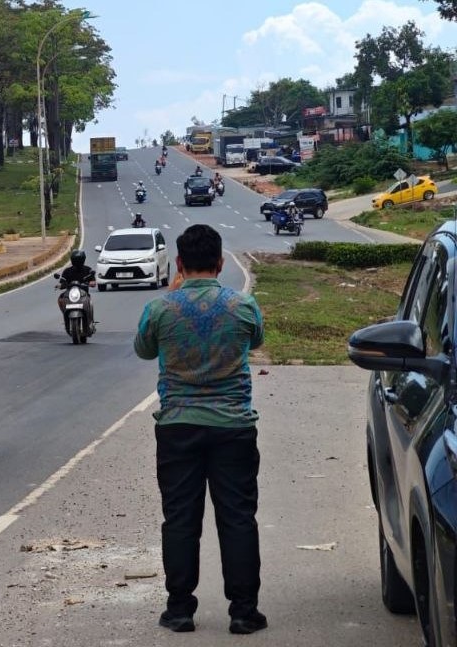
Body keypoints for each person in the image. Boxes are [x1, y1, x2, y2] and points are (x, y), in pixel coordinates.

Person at [134, 224, 266, 636]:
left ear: (179, 263)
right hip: (233, 427)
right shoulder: (243, 306)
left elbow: (144, 350)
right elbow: (256, 341)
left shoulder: (161, 309)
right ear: (221, 263)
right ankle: (243, 612)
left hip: (178, 426)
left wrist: (173, 295)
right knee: (238, 518)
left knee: (180, 520)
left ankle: (179, 610)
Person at [58, 250, 95, 334]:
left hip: (83, 294)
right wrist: (60, 285)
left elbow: (93, 281)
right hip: (70, 294)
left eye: (79, 260)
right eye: (76, 260)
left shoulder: (88, 270)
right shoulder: (67, 271)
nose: (77, 262)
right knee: (60, 298)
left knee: (90, 302)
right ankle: (65, 312)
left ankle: (90, 321)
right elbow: (62, 281)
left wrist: (91, 283)